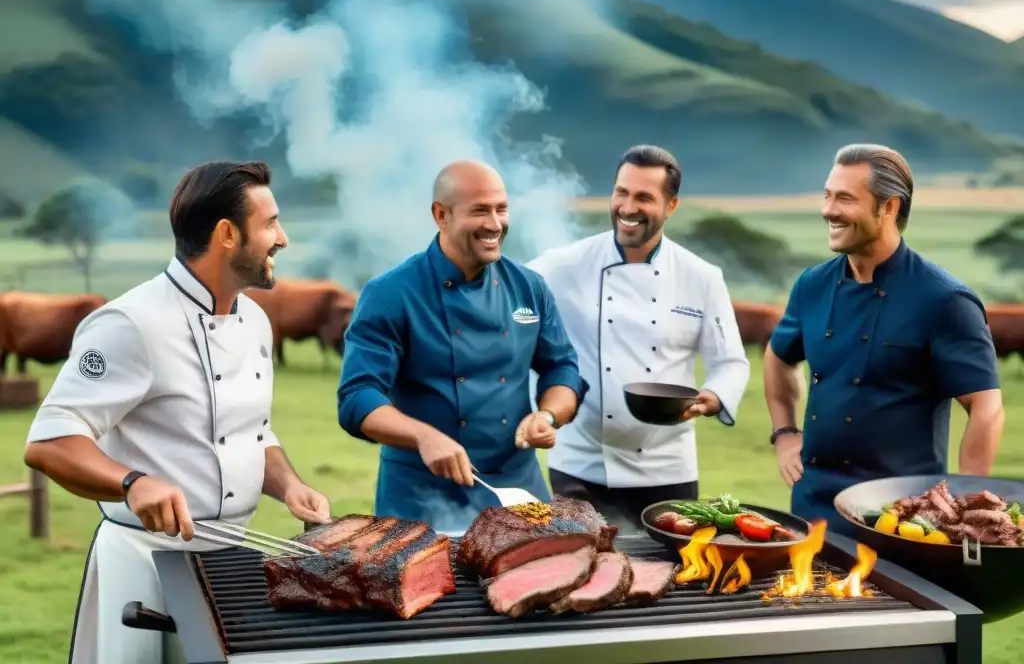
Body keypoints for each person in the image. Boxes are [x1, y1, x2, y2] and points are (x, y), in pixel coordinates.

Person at [23, 161, 332, 664]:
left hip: (235, 563)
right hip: (146, 566)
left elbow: (250, 431)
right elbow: (51, 440)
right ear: (227, 235)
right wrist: (132, 483)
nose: (284, 238)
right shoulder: (130, 323)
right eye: (271, 223)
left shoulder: (254, 320)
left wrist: (289, 485)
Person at [764, 144, 1004, 537]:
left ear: (889, 207)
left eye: (845, 198)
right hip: (813, 506)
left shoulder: (943, 300)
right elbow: (778, 357)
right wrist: (785, 434)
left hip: (901, 517)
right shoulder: (812, 285)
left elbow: (986, 407)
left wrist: (964, 505)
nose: (828, 210)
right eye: (827, 195)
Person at [337, 160, 588, 532]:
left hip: (518, 489)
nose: (495, 223)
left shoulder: (529, 287)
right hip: (419, 497)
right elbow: (358, 397)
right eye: (480, 211)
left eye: (501, 209)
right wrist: (423, 437)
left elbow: (563, 368)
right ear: (441, 215)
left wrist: (549, 415)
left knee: (538, 584)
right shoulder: (390, 293)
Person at [526, 145, 751, 532]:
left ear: (671, 205)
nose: (627, 207)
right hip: (580, 465)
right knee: (583, 570)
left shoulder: (701, 276)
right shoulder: (563, 264)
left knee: (666, 575)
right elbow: (501, 289)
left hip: (667, 468)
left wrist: (713, 397)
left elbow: (730, 362)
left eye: (644, 197)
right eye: (621, 193)